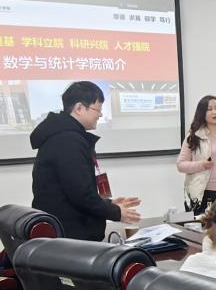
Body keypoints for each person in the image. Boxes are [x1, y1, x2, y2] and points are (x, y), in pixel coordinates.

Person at [30, 81, 140, 241]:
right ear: (79, 108)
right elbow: (81, 195)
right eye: (98, 109)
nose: (100, 115)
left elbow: (75, 190)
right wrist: (116, 212)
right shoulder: (67, 140)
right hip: (69, 240)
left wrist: (108, 205)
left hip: (66, 234)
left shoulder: (64, 136)